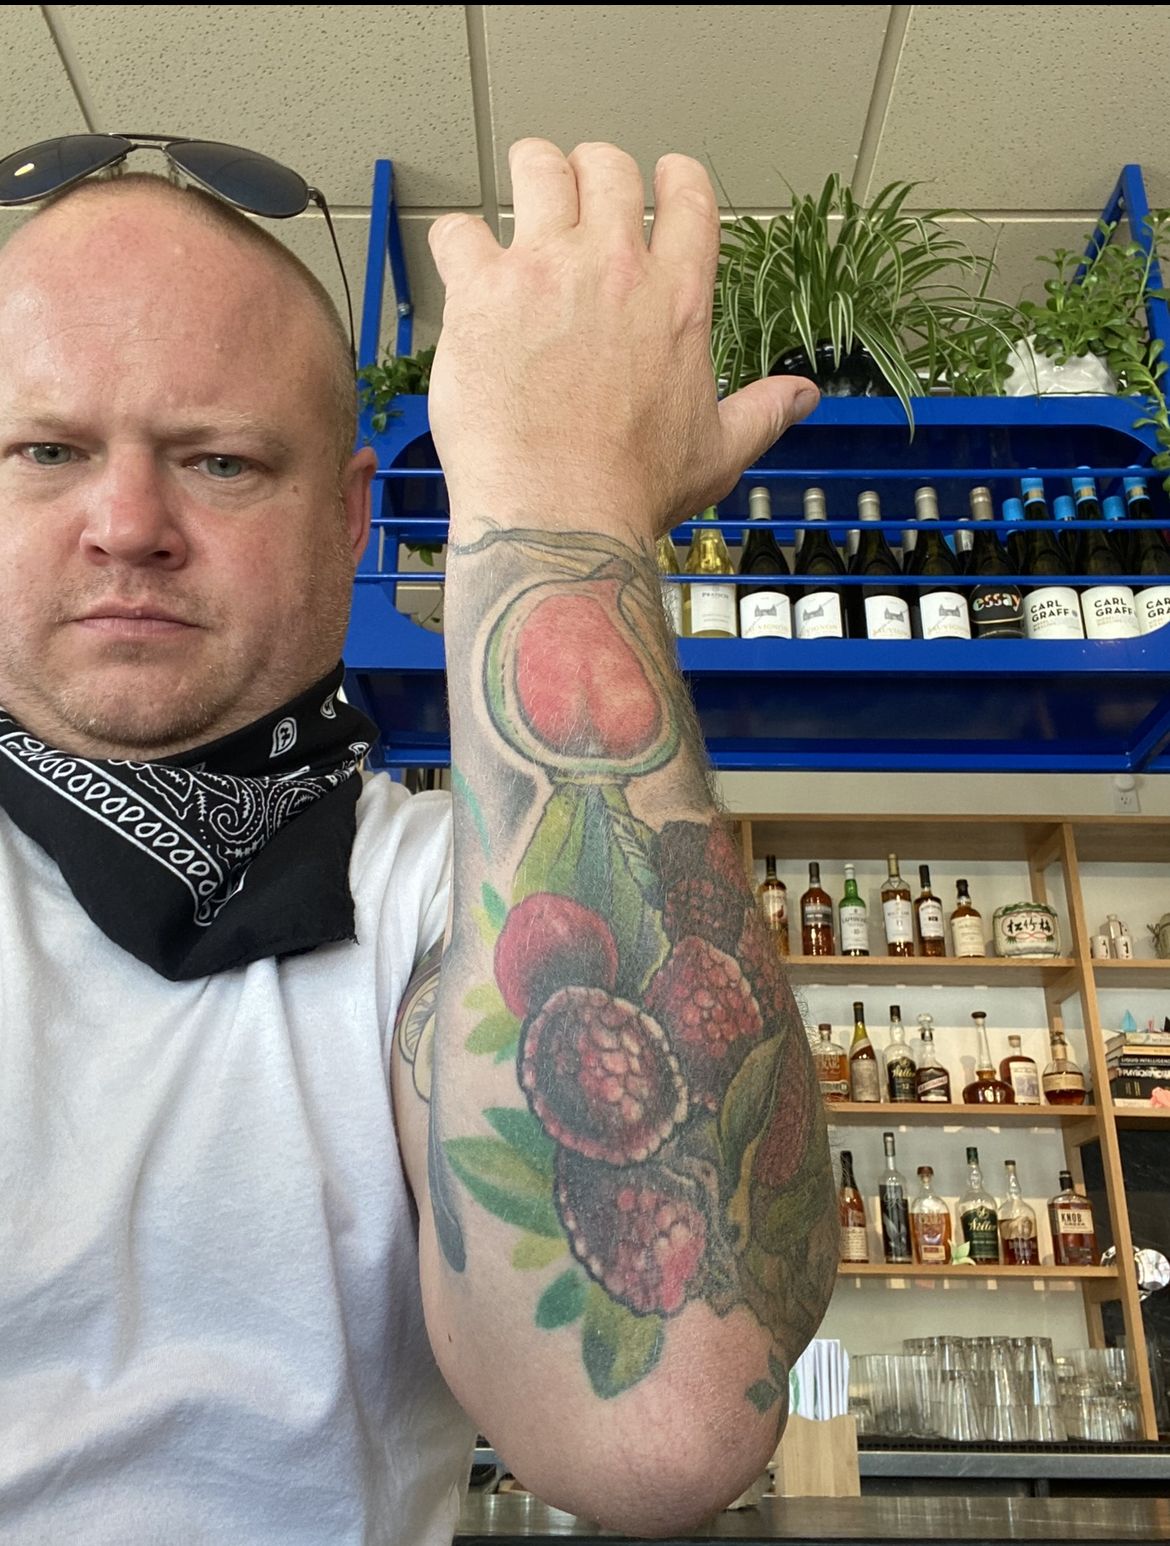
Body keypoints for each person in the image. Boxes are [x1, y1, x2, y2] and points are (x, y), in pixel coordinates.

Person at [0, 136, 833, 1544]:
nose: (128, 525)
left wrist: (559, 493)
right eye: (46, 450)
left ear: (348, 518)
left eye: (220, 460)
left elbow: (660, 1430)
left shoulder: (443, 896)